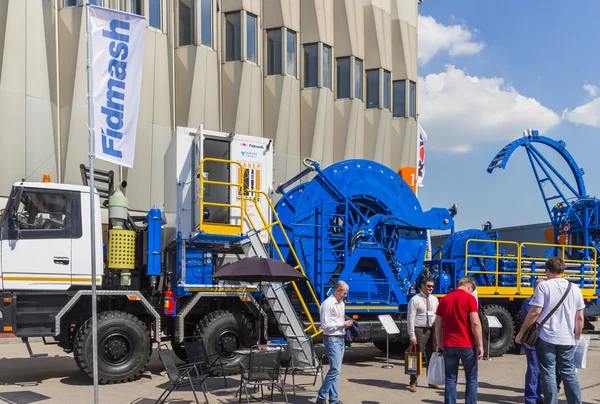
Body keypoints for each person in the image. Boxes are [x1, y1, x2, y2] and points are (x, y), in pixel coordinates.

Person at [516, 257, 585, 404]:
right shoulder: (575, 288)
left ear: (548, 270)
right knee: (569, 373)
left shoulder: (544, 287)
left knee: (548, 374)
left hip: (546, 337)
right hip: (567, 338)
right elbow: (579, 317)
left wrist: (521, 333)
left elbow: (535, 312)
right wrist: (577, 336)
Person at [435, 276, 484, 404]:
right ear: (469, 286)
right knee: (471, 379)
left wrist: (439, 343)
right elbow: (475, 323)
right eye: (471, 290)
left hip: (449, 344)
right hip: (467, 344)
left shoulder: (444, 300)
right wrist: (480, 345)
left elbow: (438, 324)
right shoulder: (470, 299)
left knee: (450, 379)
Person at [316, 281, 353, 404]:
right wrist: (342, 324)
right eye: (344, 293)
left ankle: (333, 400)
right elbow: (325, 325)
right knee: (335, 370)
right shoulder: (327, 304)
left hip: (340, 338)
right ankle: (321, 397)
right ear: (337, 290)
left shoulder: (341, 303)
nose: (345, 295)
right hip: (332, 339)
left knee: (335, 370)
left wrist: (345, 325)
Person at [407, 278, 442, 392]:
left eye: (432, 286)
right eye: (428, 286)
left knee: (432, 357)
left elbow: (437, 315)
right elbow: (410, 318)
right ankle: (413, 382)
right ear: (422, 286)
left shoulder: (435, 299)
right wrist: (412, 335)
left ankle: (432, 381)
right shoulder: (415, 300)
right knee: (415, 356)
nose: (430, 288)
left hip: (432, 329)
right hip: (419, 330)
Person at [522, 278, 545, 404]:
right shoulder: (529, 302)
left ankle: (538, 395)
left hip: (544, 340)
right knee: (534, 368)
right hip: (532, 341)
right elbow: (531, 320)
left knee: (541, 370)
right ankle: (530, 398)